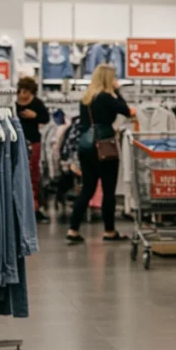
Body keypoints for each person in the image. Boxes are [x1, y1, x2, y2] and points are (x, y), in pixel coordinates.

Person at [67, 64, 130, 243]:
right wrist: (117, 92)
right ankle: (109, 231)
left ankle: (73, 229)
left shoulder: (86, 98)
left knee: (87, 189)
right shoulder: (107, 97)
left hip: (86, 147)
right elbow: (125, 110)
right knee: (108, 190)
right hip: (105, 146)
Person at [16, 77, 51, 223]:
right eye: (21, 91)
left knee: (33, 174)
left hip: (33, 141)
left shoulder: (37, 103)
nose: (23, 95)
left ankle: (34, 207)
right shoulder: (12, 104)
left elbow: (46, 118)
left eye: (26, 92)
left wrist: (35, 116)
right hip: (16, 142)